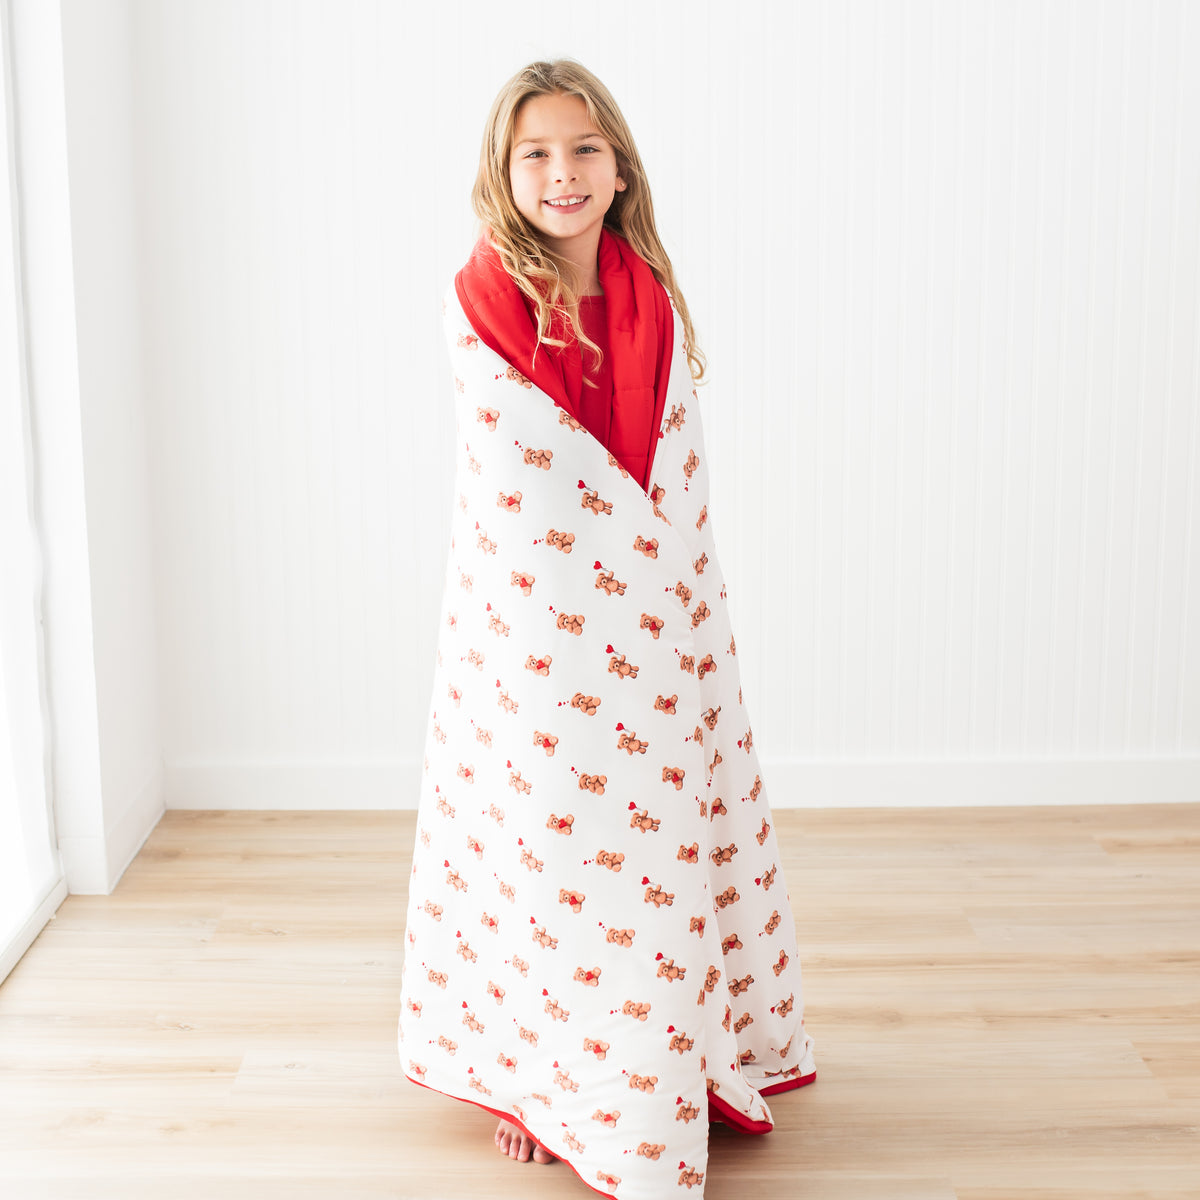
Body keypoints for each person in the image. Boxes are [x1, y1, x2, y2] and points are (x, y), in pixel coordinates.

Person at [397, 59, 816, 1198]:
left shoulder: (650, 302)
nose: (562, 172)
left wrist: (653, 591)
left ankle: (676, 1048)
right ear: (503, 174)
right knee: (551, 835)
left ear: (620, 167)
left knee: (660, 831)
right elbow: (520, 484)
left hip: (658, 629)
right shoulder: (484, 302)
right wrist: (600, 587)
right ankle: (542, 1076)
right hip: (540, 636)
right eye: (534, 152)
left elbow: (673, 480)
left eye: (584, 148)